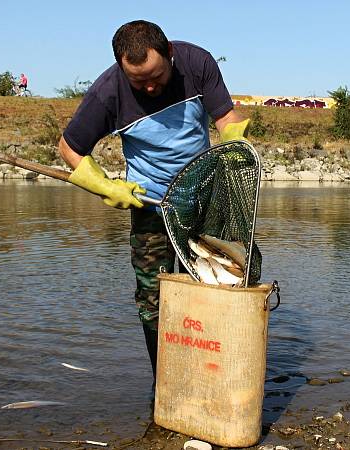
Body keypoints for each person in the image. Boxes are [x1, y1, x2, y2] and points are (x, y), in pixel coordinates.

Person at [58, 20, 249, 382]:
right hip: (150, 205)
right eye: (137, 80)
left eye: (156, 76)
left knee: (218, 284)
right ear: (120, 67)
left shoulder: (197, 63)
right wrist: (104, 185)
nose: (148, 85)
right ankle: (166, 379)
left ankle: (213, 372)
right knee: (153, 298)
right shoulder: (107, 92)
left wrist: (234, 138)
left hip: (203, 198)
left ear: (170, 55)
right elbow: (70, 148)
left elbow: (225, 116)